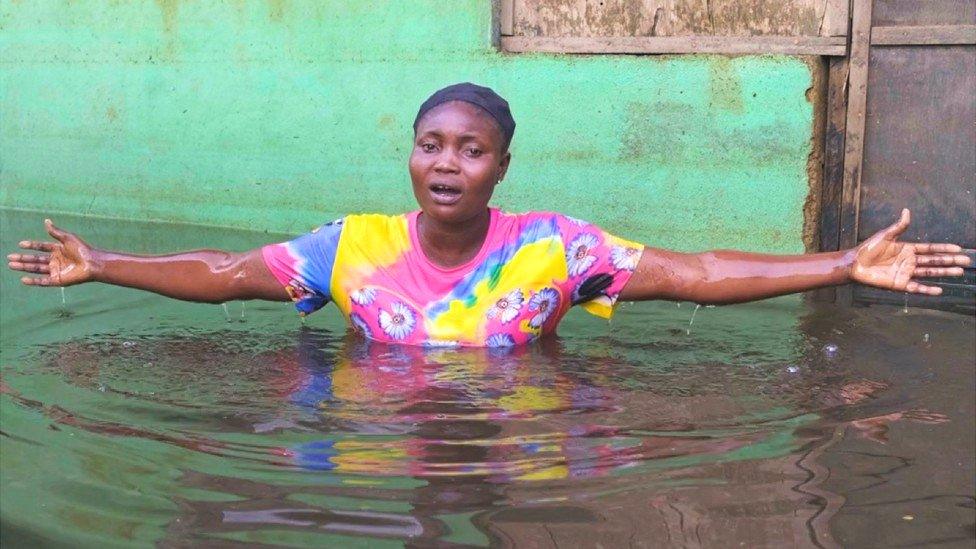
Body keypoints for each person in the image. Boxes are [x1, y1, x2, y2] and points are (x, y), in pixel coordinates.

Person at [6, 83, 971, 347]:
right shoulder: (351, 246)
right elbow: (223, 278)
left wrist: (840, 265)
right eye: (432, 144)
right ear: (412, 152)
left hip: (525, 426)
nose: (446, 163)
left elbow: (697, 274)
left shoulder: (554, 247)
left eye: (470, 149)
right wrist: (103, 264)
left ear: (501, 166)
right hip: (372, 428)